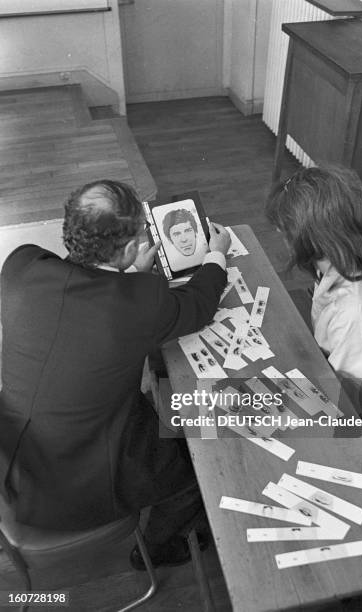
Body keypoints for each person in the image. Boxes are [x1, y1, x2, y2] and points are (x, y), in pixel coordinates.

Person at [0, 179, 230, 567]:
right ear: (127, 248)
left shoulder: (21, 263)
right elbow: (199, 305)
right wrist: (216, 256)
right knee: (197, 470)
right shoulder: (140, 300)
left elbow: (83, 304)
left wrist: (128, 275)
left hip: (13, 456)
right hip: (70, 486)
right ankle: (153, 552)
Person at [266, 165, 362, 450]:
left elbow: (350, 406)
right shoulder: (348, 256)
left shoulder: (357, 309)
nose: (282, 235)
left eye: (287, 231)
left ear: (314, 239)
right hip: (349, 370)